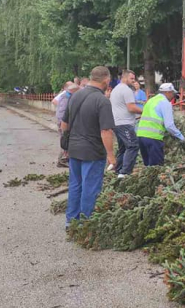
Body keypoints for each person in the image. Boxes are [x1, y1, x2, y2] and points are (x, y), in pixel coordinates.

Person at [61, 66, 116, 227]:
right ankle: (85, 225)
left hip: (74, 149)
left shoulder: (75, 96)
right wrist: (111, 156)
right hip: (92, 152)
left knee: (75, 185)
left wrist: (67, 144)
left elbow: (64, 124)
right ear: (106, 80)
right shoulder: (102, 101)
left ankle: (71, 222)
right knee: (90, 188)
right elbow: (106, 131)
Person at [137, 83, 185, 166]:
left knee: (148, 167)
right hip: (153, 138)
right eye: (173, 94)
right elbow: (169, 125)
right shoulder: (165, 103)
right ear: (168, 92)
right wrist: (181, 137)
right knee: (157, 168)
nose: (173, 97)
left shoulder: (151, 100)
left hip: (141, 136)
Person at [110, 70, 143, 178]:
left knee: (123, 148)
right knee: (133, 145)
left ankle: (118, 169)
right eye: (132, 79)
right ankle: (125, 173)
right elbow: (131, 107)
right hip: (124, 123)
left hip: (117, 123)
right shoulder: (126, 90)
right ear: (124, 78)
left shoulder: (116, 89)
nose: (134, 81)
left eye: (134, 79)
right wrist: (145, 111)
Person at [56, 82, 79, 168]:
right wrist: (65, 125)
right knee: (65, 140)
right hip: (63, 123)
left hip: (63, 122)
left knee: (66, 140)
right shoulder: (66, 97)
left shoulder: (66, 95)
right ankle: (62, 160)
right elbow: (64, 113)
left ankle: (66, 158)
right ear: (74, 91)